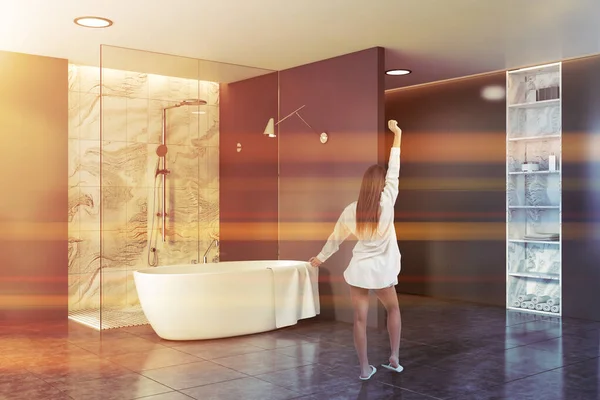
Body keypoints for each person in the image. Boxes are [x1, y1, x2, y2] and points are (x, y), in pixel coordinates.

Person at [309, 119, 403, 381]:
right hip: (382, 270)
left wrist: (320, 257)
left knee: (359, 320)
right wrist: (397, 134)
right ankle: (394, 357)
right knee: (393, 310)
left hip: (360, 270)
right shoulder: (388, 202)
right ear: (382, 184)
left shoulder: (352, 210)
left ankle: (364, 369)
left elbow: (335, 237)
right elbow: (395, 166)